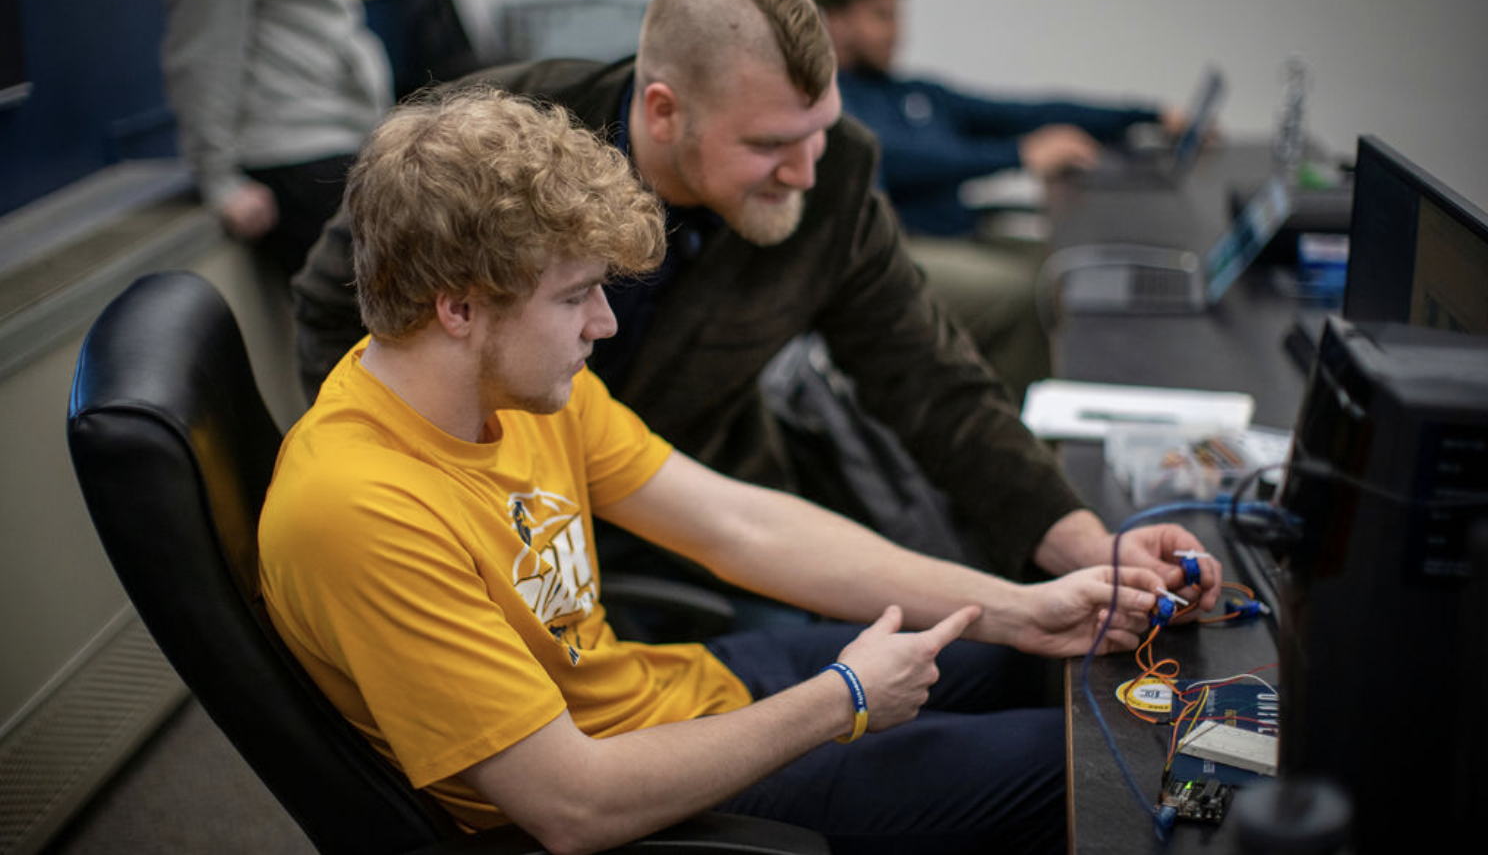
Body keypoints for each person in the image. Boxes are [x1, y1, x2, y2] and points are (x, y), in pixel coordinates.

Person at [259, 81, 1172, 853]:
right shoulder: (358, 508)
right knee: (1109, 764)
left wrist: (1023, 605)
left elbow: (742, 523)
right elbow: (571, 806)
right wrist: (845, 697)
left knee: (1042, 660)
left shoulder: (510, 391)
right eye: (576, 297)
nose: (603, 325)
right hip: (654, 805)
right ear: (457, 307)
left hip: (670, 696)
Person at [291, 0, 1221, 608]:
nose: (808, 172)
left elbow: (931, 383)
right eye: (772, 144)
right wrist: (423, 516)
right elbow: (337, 308)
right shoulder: (496, 142)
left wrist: (1085, 545)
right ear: (664, 111)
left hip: (708, 511)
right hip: (490, 529)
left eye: (818, 129)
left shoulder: (837, 173)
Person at [820, 0, 1187, 240]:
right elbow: (900, 157)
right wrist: (1020, 154)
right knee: (1041, 293)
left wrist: (1147, 116)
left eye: (899, 15)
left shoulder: (915, 92)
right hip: (912, 251)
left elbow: (1023, 113)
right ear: (836, 23)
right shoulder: (831, 104)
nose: (897, 31)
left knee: (1071, 265)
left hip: (965, 234)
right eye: (881, 16)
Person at [161, 0, 394, 276]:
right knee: (383, 325)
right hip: (293, 157)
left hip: (336, 136)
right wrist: (218, 178)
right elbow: (205, 40)